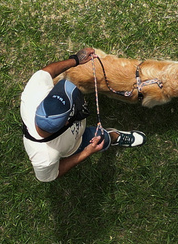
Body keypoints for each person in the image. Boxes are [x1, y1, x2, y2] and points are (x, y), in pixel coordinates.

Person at [20, 47, 146, 182]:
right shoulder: (44, 157)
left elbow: (47, 72)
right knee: (101, 139)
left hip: (69, 129)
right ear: (67, 122)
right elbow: (52, 175)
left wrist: (75, 60)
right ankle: (113, 137)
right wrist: (87, 152)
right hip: (76, 142)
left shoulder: (32, 95)